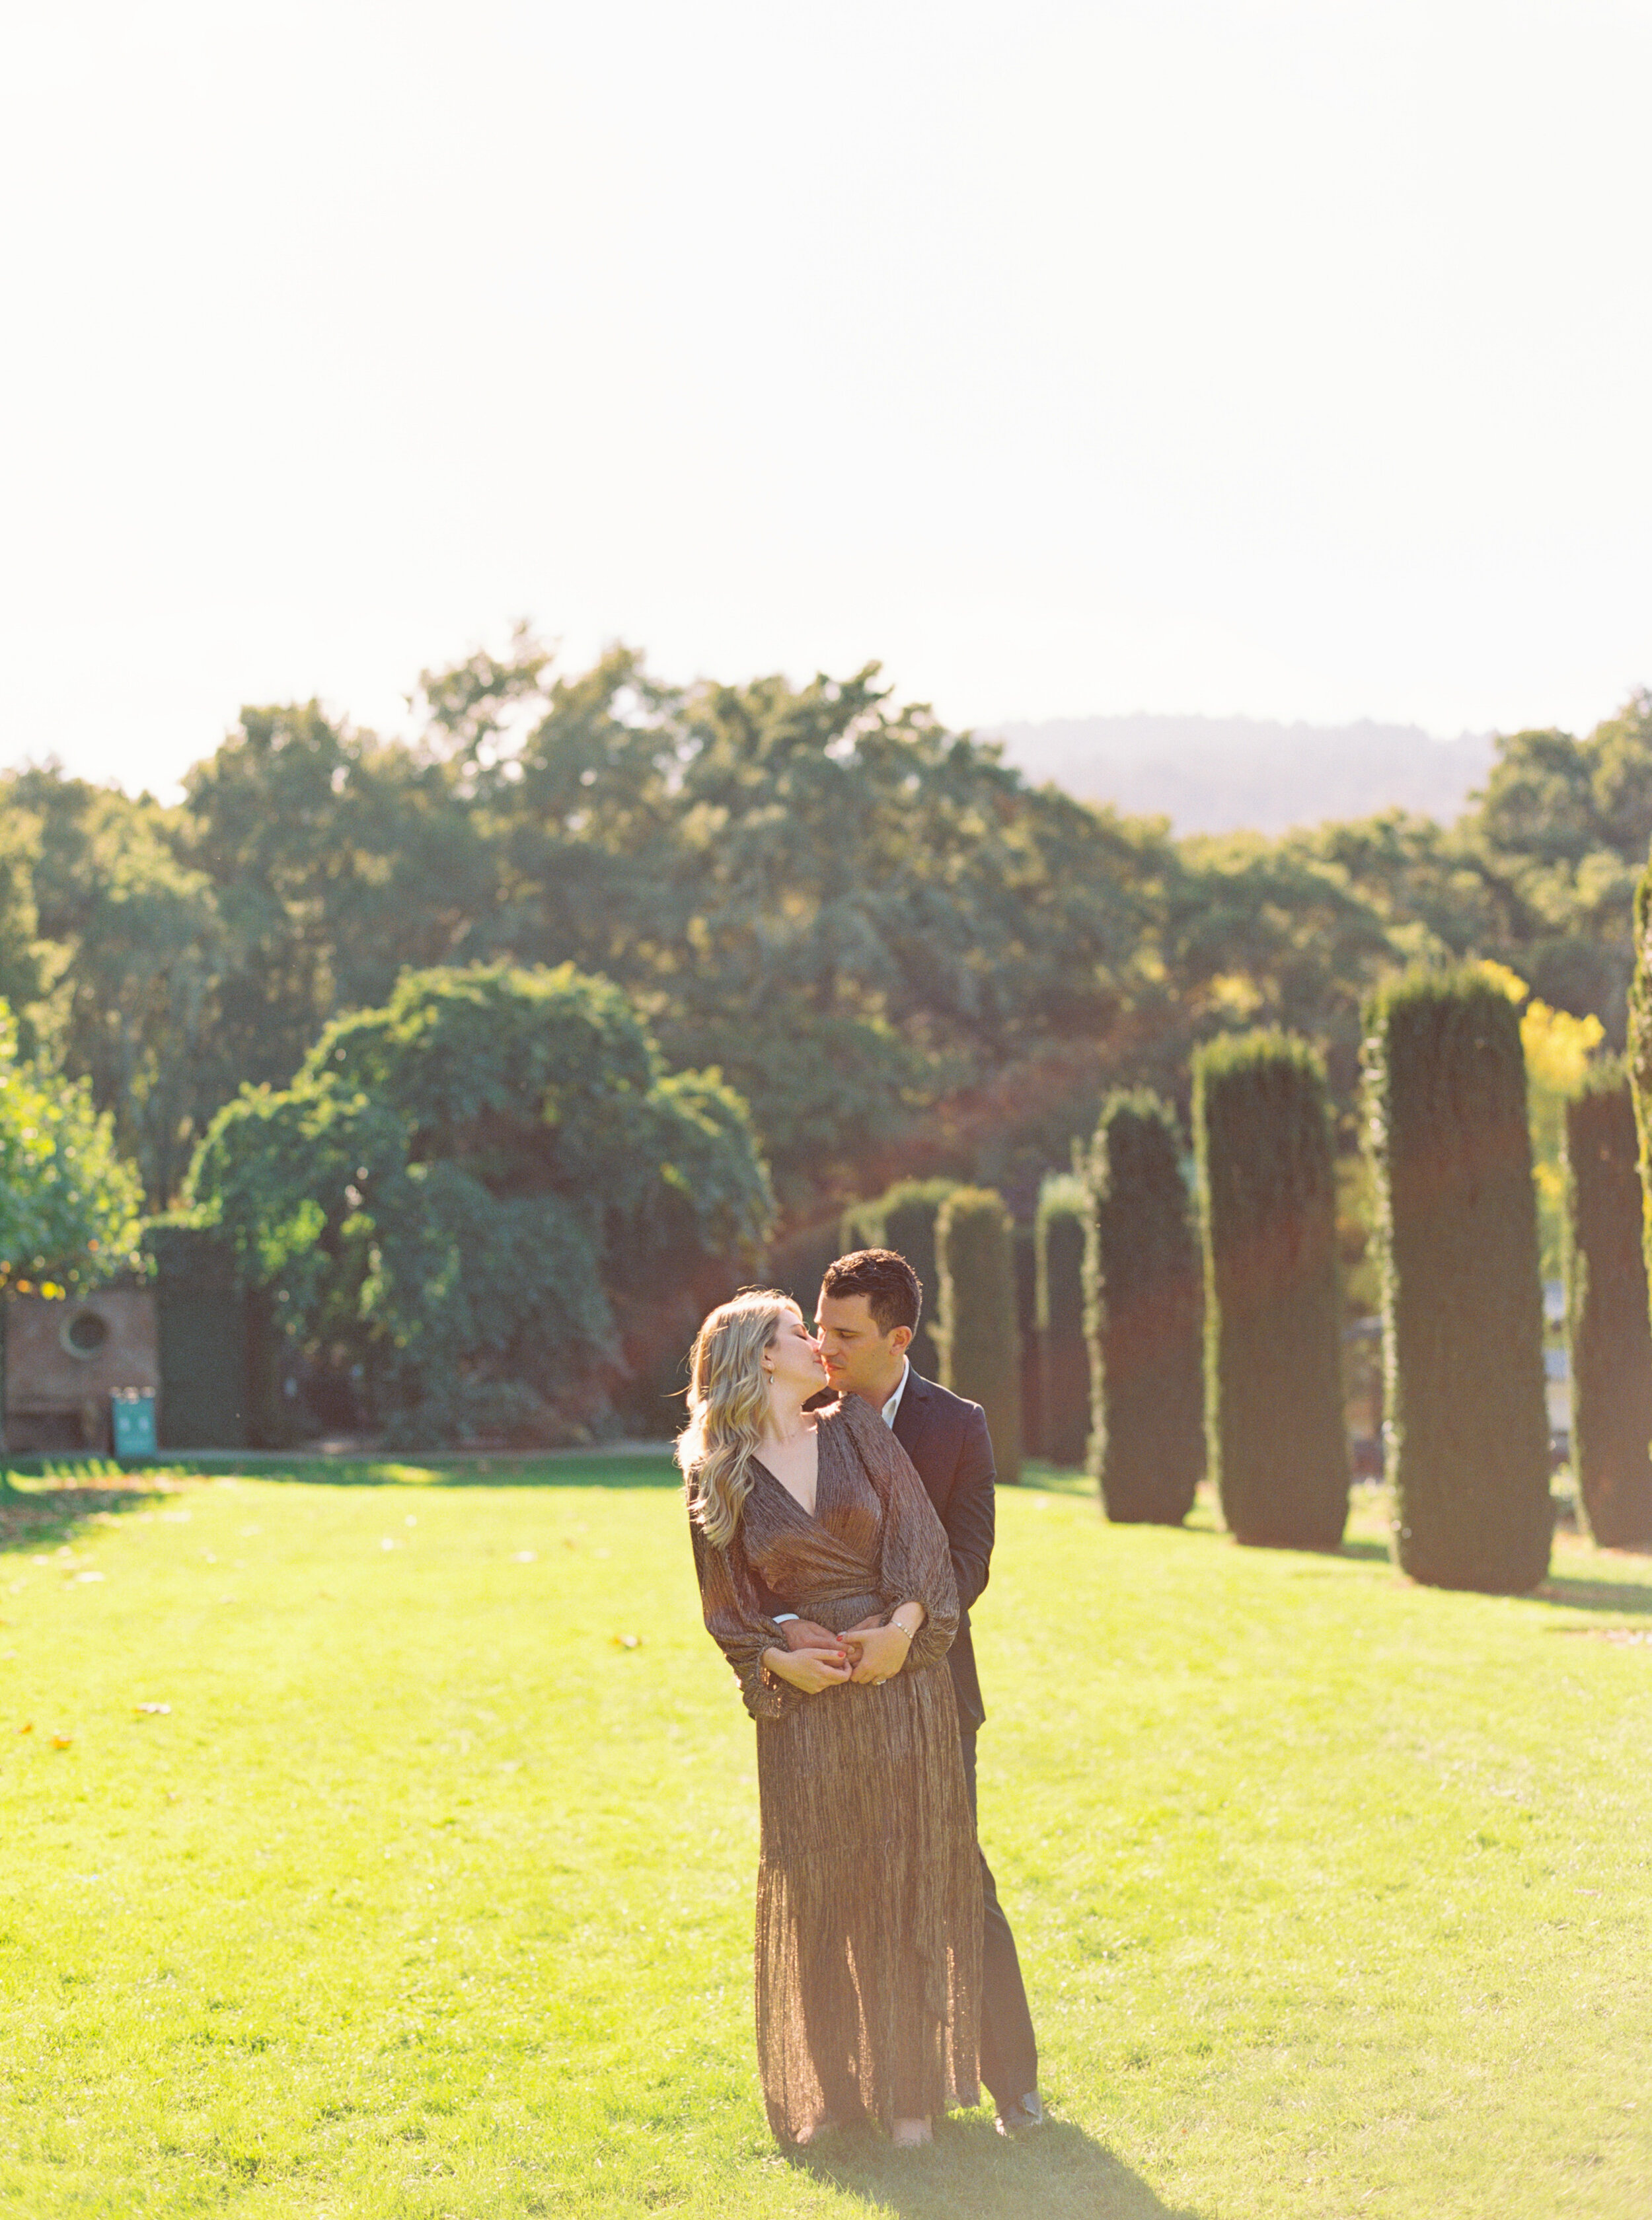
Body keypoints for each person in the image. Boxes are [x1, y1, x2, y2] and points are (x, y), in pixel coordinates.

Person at [679, 1290, 982, 2149]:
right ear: (760, 1357)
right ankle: (838, 2097)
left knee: (900, 1886)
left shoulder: (854, 1429)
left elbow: (923, 1548)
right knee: (821, 1900)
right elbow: (725, 1608)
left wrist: (902, 1633)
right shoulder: (713, 1473)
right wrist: (779, 1656)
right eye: (796, 1333)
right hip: (805, 1712)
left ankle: (912, 2106)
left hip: (897, 1686)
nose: (818, 1343)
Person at [775, 1247, 1045, 2137]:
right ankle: (868, 2098)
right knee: (842, 1893)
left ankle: (1014, 2087)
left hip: (932, 1689)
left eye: (845, 1333)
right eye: (819, 1325)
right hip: (827, 1698)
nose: (825, 1347)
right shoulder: (800, 1410)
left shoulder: (957, 1424)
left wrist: (904, 1629)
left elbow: (972, 1561)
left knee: (958, 1880)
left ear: (898, 1337)